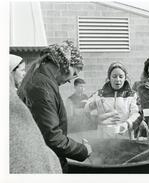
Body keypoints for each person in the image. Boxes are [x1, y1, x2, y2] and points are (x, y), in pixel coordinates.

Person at [17, 40, 92, 173]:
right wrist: (83, 150)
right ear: (64, 65)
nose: (70, 80)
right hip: (42, 165)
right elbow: (52, 138)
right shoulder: (42, 88)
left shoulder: (41, 81)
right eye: (74, 73)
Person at [10, 58, 62, 174]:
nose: (24, 73)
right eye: (22, 70)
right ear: (11, 72)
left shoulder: (17, 93)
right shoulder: (12, 101)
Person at [84, 62, 140, 139]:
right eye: (114, 76)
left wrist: (126, 124)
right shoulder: (99, 94)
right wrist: (92, 105)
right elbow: (86, 110)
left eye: (121, 76)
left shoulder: (132, 95)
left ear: (125, 78)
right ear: (109, 78)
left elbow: (137, 114)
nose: (118, 79)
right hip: (103, 138)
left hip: (125, 137)